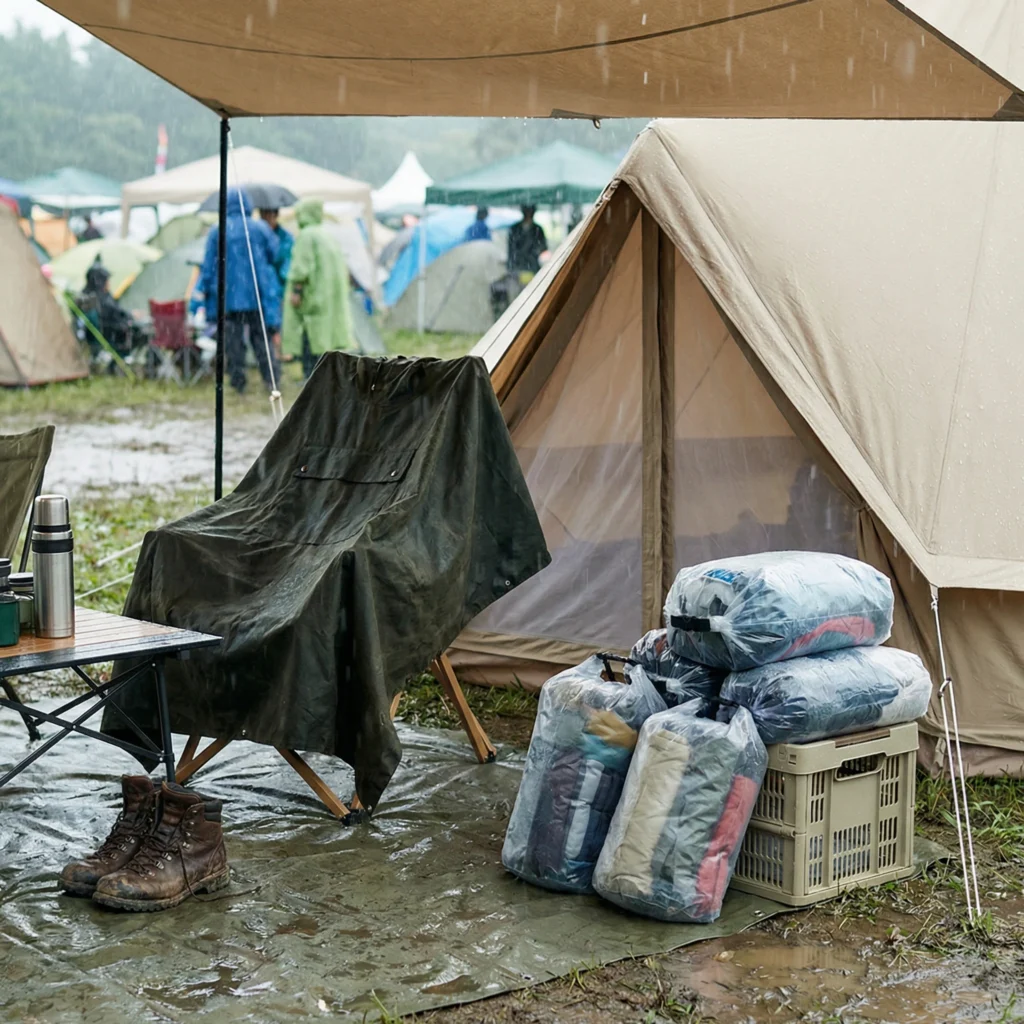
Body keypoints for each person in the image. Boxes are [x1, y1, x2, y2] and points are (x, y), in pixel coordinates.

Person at [195, 187, 281, 394]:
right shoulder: (259, 228)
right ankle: (271, 379)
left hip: (229, 297)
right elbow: (274, 254)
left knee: (233, 342)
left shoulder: (218, 230)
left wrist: (205, 290)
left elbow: (208, 265)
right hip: (256, 294)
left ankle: (238, 381)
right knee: (261, 340)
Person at [282, 198, 353, 380]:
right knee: (325, 342)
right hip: (329, 299)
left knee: (311, 341)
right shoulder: (326, 235)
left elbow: (301, 269)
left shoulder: (306, 236)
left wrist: (296, 292)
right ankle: (326, 379)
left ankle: (311, 381)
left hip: (313, 300)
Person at [77, 259, 137, 364]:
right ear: (101, 281)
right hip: (110, 333)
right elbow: (116, 313)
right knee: (139, 330)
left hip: (97, 336)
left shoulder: (86, 296)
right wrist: (131, 315)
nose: (109, 283)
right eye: (107, 280)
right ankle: (123, 357)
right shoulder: (100, 298)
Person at [507, 205, 547, 281]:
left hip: (532, 267)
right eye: (527, 211)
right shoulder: (514, 229)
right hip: (517, 268)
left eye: (530, 212)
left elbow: (543, 247)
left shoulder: (537, 229)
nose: (528, 214)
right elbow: (511, 249)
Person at [258, 207, 294, 292]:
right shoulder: (257, 234)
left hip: (278, 287)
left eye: (271, 216)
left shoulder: (285, 237)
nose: (268, 220)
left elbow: (286, 262)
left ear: (276, 216)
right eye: (265, 217)